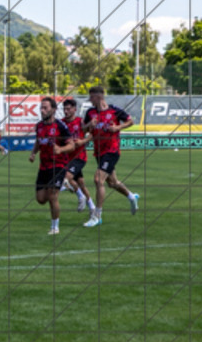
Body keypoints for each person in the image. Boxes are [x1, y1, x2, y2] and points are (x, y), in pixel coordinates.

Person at [77, 86, 139, 228]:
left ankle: (97, 216)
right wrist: (89, 124)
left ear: (99, 96)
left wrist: (117, 128)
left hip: (112, 150)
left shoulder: (114, 111)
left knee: (98, 179)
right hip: (99, 152)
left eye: (92, 97)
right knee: (112, 183)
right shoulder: (90, 112)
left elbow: (130, 121)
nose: (90, 100)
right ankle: (131, 196)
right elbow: (83, 130)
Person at [29, 97, 74, 235]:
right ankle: (62, 185)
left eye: (45, 108)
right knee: (41, 199)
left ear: (53, 110)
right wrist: (33, 153)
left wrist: (60, 149)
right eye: (41, 108)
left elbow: (71, 145)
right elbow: (38, 141)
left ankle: (55, 227)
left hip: (58, 165)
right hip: (44, 166)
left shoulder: (60, 126)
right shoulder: (39, 126)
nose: (42, 111)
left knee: (53, 196)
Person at [59, 98, 95, 213]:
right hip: (67, 158)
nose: (66, 111)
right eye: (64, 109)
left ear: (74, 109)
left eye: (68, 109)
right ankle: (92, 207)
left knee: (66, 178)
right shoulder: (61, 123)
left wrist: (83, 141)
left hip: (79, 157)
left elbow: (92, 134)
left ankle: (80, 196)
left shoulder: (80, 122)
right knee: (81, 184)